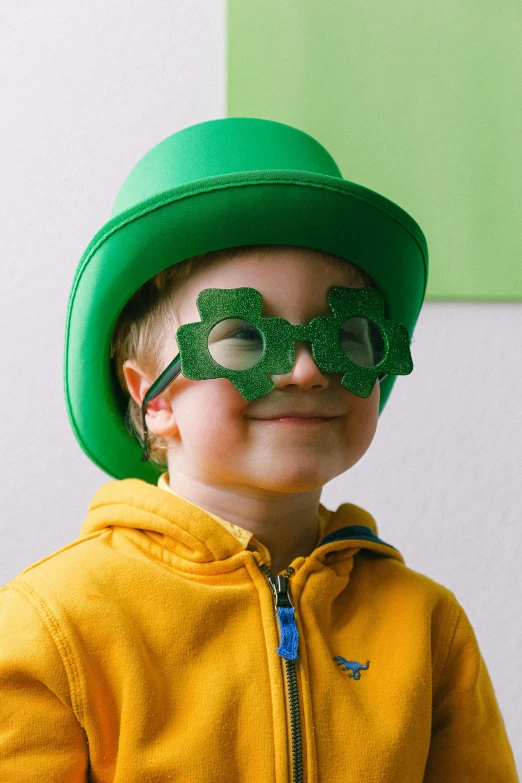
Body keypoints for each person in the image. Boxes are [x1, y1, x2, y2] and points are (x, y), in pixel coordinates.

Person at [0, 118, 518, 782]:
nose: (305, 370)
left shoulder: (427, 628)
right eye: (244, 336)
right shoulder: (53, 628)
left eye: (346, 333)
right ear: (152, 397)